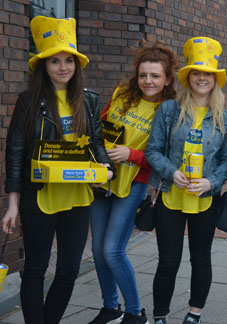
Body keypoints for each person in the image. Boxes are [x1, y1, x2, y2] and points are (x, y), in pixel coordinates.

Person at [1, 16, 114, 324]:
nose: (63, 67)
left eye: (68, 60)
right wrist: (12, 205)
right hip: (39, 197)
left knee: (68, 270)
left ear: (77, 65)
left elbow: (97, 143)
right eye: (55, 61)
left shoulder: (88, 100)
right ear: (43, 66)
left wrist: (105, 168)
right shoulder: (29, 101)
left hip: (77, 196)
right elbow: (15, 152)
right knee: (36, 268)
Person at [145, 36, 227, 324]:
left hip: (204, 198)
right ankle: (160, 316)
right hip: (171, 194)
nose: (201, 78)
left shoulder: (225, 118)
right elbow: (153, 150)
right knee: (168, 261)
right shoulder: (169, 110)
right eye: (196, 72)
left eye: (207, 73)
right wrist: (172, 171)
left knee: (201, 259)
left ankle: (194, 314)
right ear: (188, 77)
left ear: (215, 79)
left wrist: (212, 182)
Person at [88, 41, 178, 324]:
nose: (147, 81)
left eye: (154, 76)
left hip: (134, 183)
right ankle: (110, 306)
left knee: (112, 250)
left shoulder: (170, 110)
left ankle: (135, 312)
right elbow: (98, 129)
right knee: (97, 251)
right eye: (143, 75)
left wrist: (132, 154)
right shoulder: (121, 94)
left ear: (167, 80)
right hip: (102, 179)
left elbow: (165, 157)